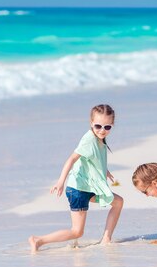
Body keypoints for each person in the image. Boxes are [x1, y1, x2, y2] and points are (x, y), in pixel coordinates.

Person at [28, 104, 124, 253]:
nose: (102, 130)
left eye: (107, 127)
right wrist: (61, 182)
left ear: (112, 125)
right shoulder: (89, 140)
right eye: (98, 126)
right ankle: (38, 240)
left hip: (89, 187)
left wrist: (105, 171)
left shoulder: (99, 138)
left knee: (118, 202)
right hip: (78, 189)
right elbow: (71, 159)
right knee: (77, 231)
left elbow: (93, 159)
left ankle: (106, 239)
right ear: (91, 123)